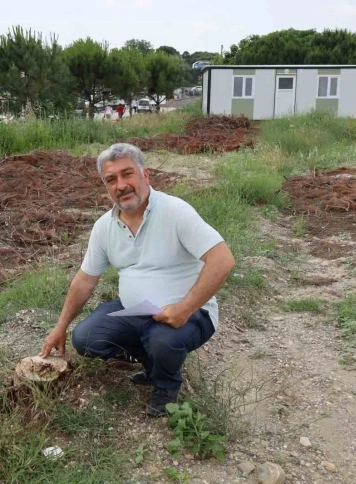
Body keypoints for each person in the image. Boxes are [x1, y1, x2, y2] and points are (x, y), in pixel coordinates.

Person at [39, 143, 235, 416]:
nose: (121, 185)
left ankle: (166, 384)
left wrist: (185, 307)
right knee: (85, 338)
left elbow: (223, 259)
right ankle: (152, 364)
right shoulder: (104, 227)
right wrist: (60, 327)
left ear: (145, 175)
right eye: (111, 179)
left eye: (127, 173)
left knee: (163, 340)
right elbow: (85, 280)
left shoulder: (175, 211)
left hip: (191, 313)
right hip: (137, 311)